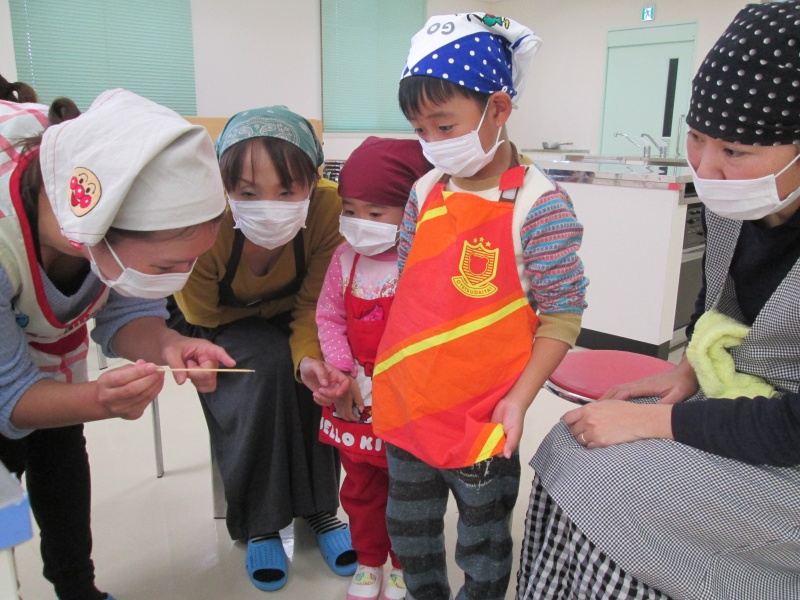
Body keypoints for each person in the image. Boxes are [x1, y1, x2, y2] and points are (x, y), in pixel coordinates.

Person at [516, 3, 800, 599]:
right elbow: (716, 306)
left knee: (612, 479)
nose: (707, 167)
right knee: (572, 439)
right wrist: (687, 372)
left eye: (735, 152)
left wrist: (659, 421)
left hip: (786, 437)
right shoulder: (738, 205)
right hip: (745, 403)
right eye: (696, 138)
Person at [370, 13, 589, 600]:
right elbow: (409, 292)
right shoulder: (424, 190)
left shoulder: (538, 205)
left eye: (445, 125)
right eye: (421, 130)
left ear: (498, 108)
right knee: (411, 538)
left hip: (485, 419)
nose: (434, 143)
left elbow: (562, 314)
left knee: (484, 546)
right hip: (410, 407)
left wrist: (519, 400)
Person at [0, 87, 234, 600]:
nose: (180, 278)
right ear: (94, 231)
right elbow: (11, 395)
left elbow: (127, 311)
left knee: (61, 457)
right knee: (5, 486)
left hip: (42, 349)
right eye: (167, 266)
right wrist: (99, 400)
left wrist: (168, 342)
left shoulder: (98, 218)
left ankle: (76, 588)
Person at [170, 105, 357, 592]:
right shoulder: (204, 218)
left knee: (320, 374)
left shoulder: (328, 210)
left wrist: (308, 355)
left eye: (287, 191)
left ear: (313, 181)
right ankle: (261, 523)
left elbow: (315, 303)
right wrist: (276, 326)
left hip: (297, 314)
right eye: (248, 193)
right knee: (265, 367)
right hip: (212, 323)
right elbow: (203, 311)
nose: (269, 206)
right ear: (223, 185)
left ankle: (321, 508)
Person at [315, 136, 432, 600]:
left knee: (410, 491)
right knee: (360, 488)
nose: (360, 223)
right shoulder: (344, 261)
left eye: (376, 213)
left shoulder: (423, 264)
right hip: (354, 401)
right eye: (350, 210)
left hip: (407, 404)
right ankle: (368, 561)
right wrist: (341, 370)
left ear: (412, 210)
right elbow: (329, 316)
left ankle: (403, 564)